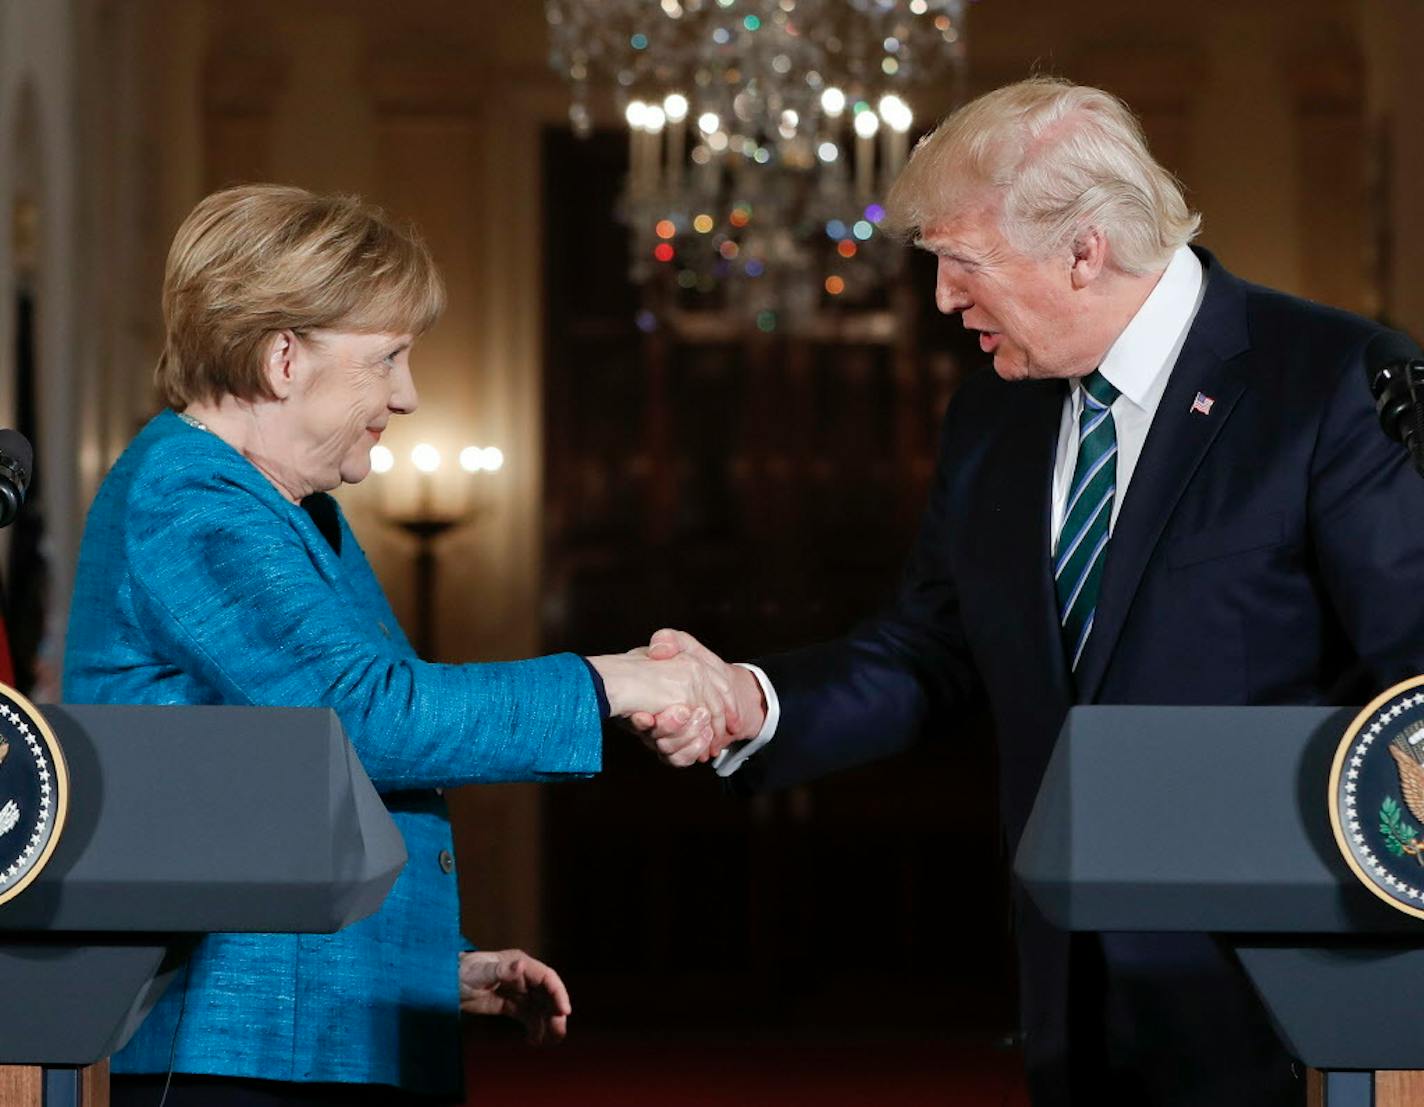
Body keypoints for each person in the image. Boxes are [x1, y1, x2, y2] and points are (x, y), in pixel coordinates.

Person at [634, 77, 1424, 1107]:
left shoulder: (1332, 381)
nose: (943, 301)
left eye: (961, 264)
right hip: (1064, 988)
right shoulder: (991, 416)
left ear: (1082, 250)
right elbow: (932, 648)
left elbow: (1407, 688)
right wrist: (754, 702)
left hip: (1279, 996)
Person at [63, 184, 730, 1107]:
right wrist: (609, 681)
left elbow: (290, 781)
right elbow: (369, 718)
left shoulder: (291, 511)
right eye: (388, 359)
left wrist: (427, 966)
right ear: (283, 356)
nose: (407, 396)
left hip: (302, 1030)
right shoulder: (192, 501)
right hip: (230, 1046)